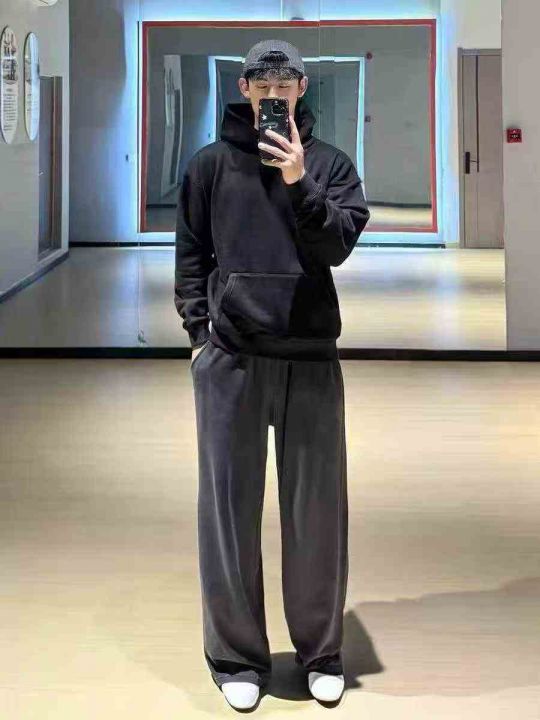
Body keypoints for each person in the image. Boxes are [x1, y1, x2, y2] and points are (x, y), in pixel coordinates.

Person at [175, 39, 370, 710]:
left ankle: (321, 651)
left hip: (310, 354)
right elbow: (192, 253)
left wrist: (298, 181)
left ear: (301, 89)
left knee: (318, 512)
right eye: (263, 86)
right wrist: (197, 335)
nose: (274, 96)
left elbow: (336, 246)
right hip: (230, 356)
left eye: (285, 85)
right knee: (227, 511)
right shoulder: (209, 165)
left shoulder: (332, 165)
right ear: (246, 90)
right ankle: (235, 656)